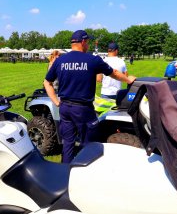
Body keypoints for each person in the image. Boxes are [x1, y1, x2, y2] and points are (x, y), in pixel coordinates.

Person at [44, 30, 136, 163]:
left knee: (68, 143)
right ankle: (84, 172)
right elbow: (114, 73)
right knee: (88, 144)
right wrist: (128, 80)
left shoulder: (60, 60)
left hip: (65, 108)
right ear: (83, 42)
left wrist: (56, 101)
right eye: (88, 42)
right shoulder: (92, 60)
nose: (88, 45)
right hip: (83, 110)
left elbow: (47, 82)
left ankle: (65, 173)